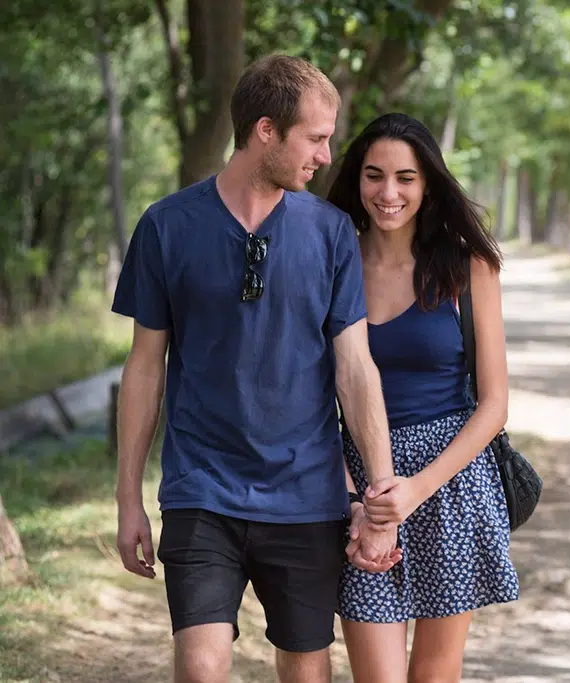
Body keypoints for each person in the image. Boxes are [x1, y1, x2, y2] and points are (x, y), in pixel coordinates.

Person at [111, 54, 401, 683]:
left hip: (306, 495)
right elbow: (144, 369)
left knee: (304, 665)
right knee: (202, 663)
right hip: (201, 489)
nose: (326, 157)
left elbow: (355, 370)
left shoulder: (331, 234)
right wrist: (127, 496)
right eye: (316, 139)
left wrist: (378, 497)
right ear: (266, 131)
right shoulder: (167, 226)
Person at [325, 112, 519, 683]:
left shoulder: (466, 264)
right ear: (356, 180)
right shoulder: (332, 262)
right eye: (374, 175)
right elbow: (310, 400)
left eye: (406, 177)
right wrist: (354, 497)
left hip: (450, 482)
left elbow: (494, 405)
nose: (388, 193)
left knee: (434, 674)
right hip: (358, 484)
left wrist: (415, 490)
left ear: (428, 181)